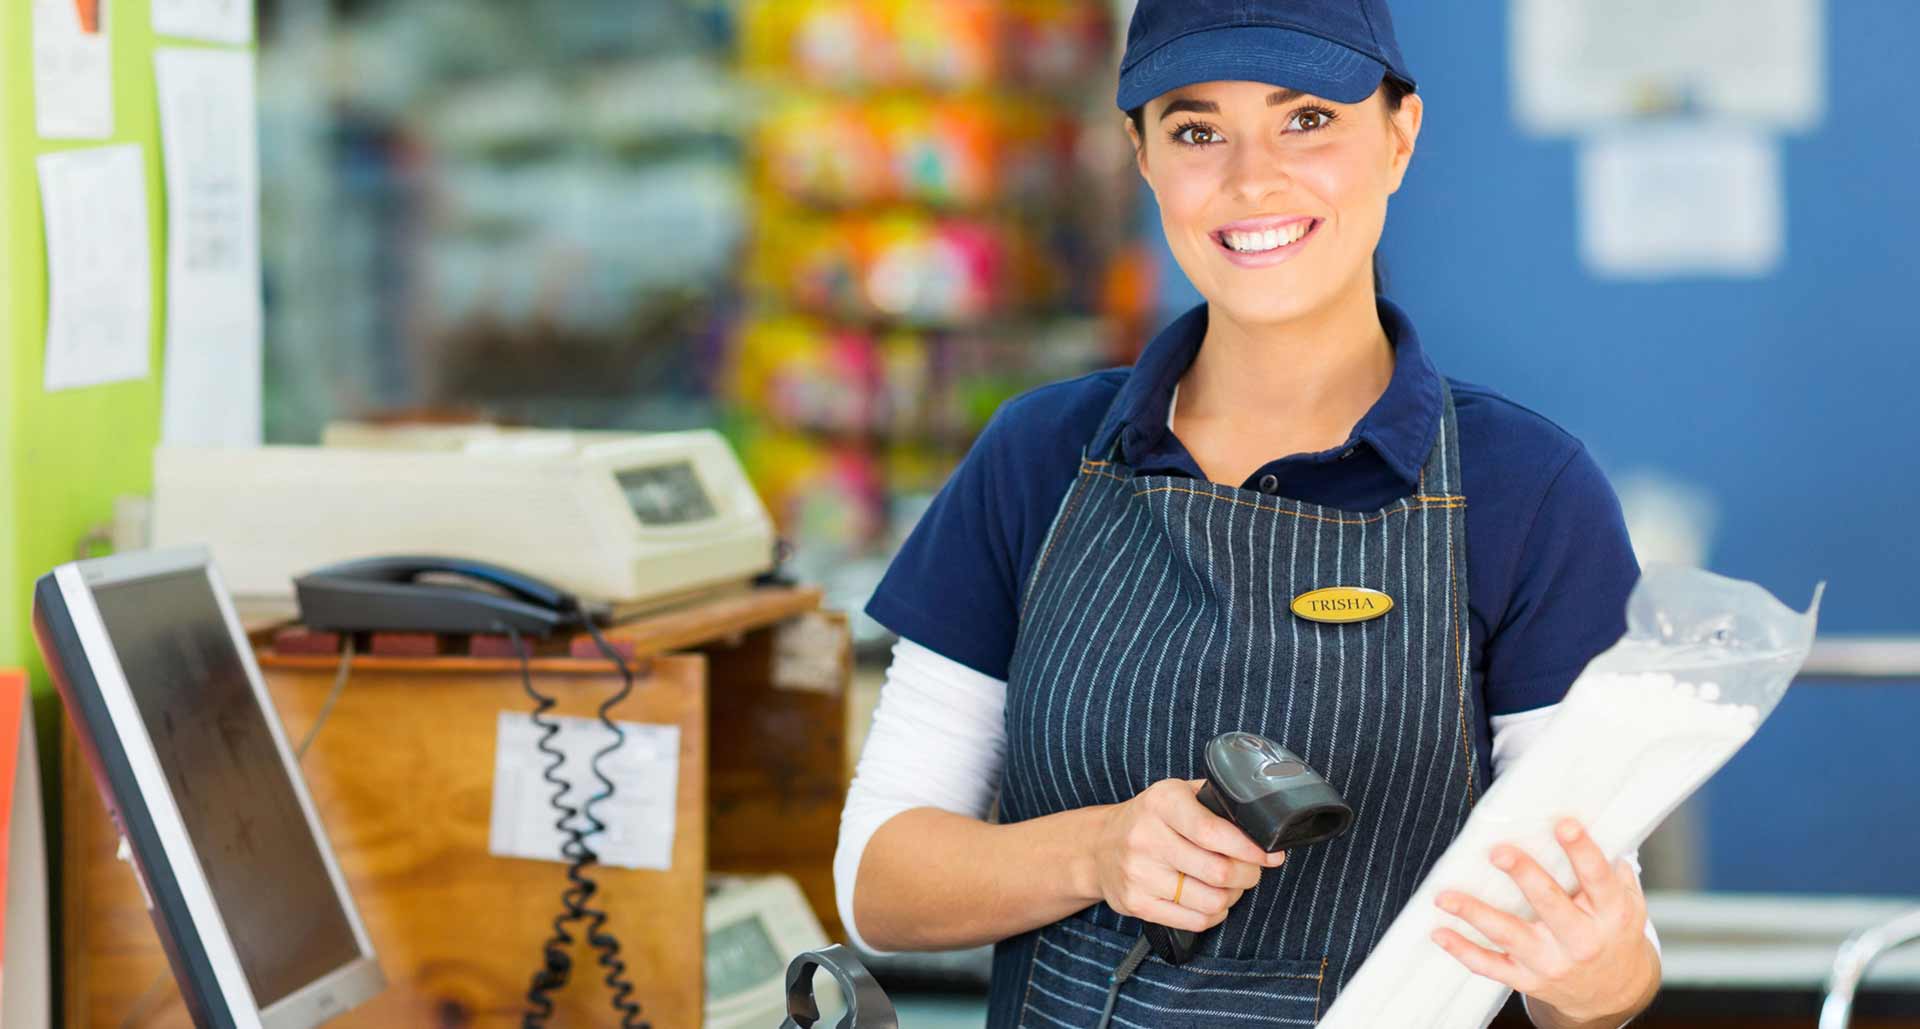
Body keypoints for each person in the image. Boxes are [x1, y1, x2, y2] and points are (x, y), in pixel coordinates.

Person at [834, 1, 1663, 1025]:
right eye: (1196, 131)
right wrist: (1095, 853)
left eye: (1307, 118)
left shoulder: (1525, 492)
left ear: (1400, 135)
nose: (1250, 178)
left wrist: (1597, 973)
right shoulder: (1037, 456)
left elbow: (1602, 962)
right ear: (1138, 153)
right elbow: (879, 886)